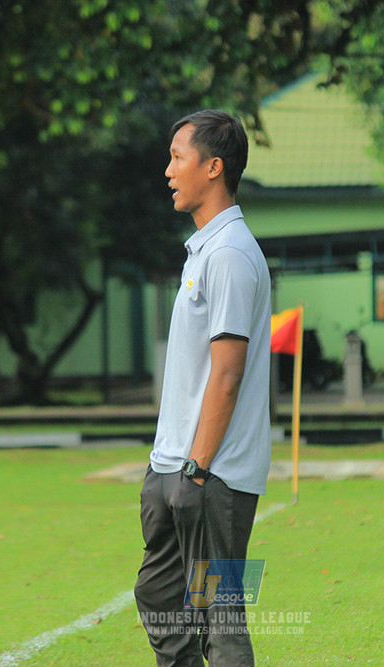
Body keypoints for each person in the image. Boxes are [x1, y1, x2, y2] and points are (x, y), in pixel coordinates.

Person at [134, 110, 271, 666]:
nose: (168, 171)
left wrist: (197, 467)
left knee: (220, 622)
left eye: (178, 158)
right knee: (159, 597)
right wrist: (166, 466)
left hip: (211, 475)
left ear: (213, 168)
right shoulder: (205, 251)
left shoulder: (232, 254)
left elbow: (227, 373)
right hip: (173, 466)